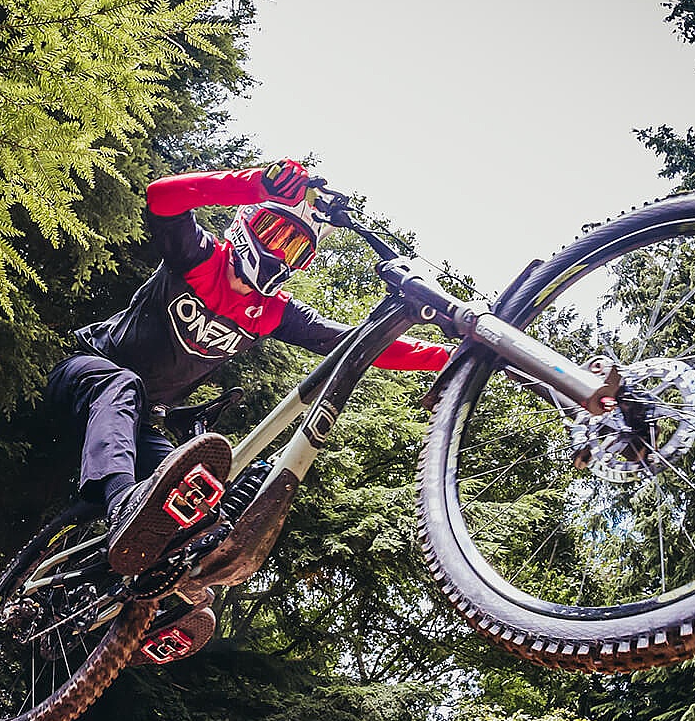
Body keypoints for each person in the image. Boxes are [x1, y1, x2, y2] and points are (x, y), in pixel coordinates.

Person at [47, 159, 451, 647]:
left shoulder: (271, 313)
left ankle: (159, 605)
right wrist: (256, 183)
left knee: (192, 498)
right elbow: (162, 197)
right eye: (275, 234)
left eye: (295, 249)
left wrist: (446, 358)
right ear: (247, 225)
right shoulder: (201, 257)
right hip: (89, 374)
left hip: (141, 421)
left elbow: (355, 344)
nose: (279, 252)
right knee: (125, 387)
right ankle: (119, 502)